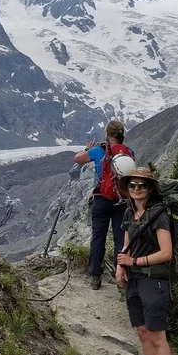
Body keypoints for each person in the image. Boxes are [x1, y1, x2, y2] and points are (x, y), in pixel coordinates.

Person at [113, 167, 173, 355]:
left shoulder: (159, 214)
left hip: (154, 280)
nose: (136, 189)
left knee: (158, 337)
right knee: (143, 332)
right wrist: (120, 266)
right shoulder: (129, 212)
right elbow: (127, 245)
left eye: (142, 185)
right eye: (132, 185)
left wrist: (134, 263)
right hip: (136, 280)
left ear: (150, 189)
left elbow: (166, 253)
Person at [73, 120, 135, 290]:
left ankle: (95, 276)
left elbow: (77, 159)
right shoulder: (129, 152)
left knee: (98, 237)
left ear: (107, 134)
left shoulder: (98, 151)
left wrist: (87, 149)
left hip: (101, 199)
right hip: (121, 201)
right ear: (122, 134)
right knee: (120, 239)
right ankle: (121, 275)